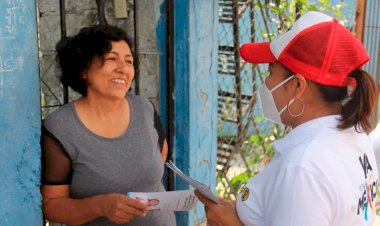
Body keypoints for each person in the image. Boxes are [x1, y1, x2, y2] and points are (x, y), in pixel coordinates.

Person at [195, 11, 379, 226]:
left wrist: (229, 223)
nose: (266, 84)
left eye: (270, 73)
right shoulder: (354, 136)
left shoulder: (303, 168)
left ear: (298, 86)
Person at [41, 25, 176, 226]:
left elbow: (161, 155)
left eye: (128, 61)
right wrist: (100, 206)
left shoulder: (144, 108)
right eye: (112, 59)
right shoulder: (61, 128)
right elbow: (52, 205)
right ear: (83, 69)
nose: (123, 69)